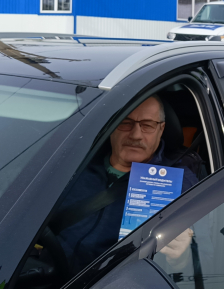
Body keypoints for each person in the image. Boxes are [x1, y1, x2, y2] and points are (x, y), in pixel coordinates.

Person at [55, 95, 199, 274]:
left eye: (147, 125)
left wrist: (181, 259)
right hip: (44, 281)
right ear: (112, 125)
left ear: (161, 129)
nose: (136, 135)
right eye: (125, 122)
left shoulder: (181, 184)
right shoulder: (73, 168)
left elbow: (206, 262)